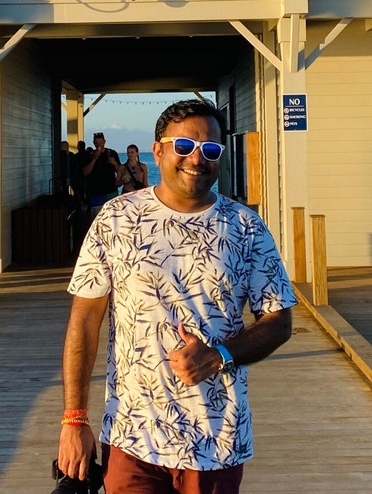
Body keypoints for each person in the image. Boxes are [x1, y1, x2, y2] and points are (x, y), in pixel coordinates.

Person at [58, 99, 296, 494]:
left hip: (216, 442)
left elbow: (279, 321)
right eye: (184, 146)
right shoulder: (115, 219)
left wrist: (219, 355)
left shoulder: (246, 227)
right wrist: (73, 420)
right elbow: (83, 322)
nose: (196, 159)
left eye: (210, 149)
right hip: (131, 439)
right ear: (158, 151)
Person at [81, 132, 121, 220]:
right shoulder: (89, 155)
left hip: (111, 192)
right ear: (93, 143)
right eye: (97, 143)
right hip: (95, 193)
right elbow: (85, 173)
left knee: (113, 219)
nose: (99, 145)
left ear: (104, 141)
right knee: (97, 220)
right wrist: (94, 159)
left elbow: (120, 172)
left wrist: (115, 164)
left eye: (101, 142)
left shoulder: (111, 153)